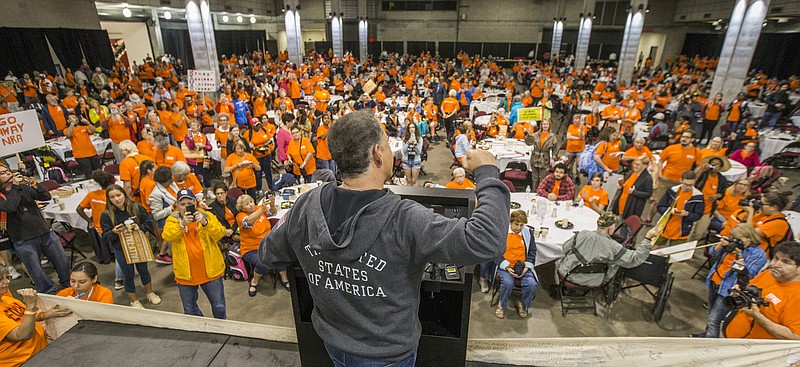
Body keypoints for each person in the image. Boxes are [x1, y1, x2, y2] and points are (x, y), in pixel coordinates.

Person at [260, 110, 509, 365]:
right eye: (389, 145)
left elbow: (269, 253)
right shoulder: (404, 218)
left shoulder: (306, 206)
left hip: (334, 341)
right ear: (378, 153)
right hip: (387, 354)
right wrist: (488, 173)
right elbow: (486, 239)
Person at [0, 165, 70, 294]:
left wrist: (32, 183)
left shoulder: (22, 187)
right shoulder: (4, 194)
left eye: (7, 171)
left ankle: (68, 285)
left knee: (62, 262)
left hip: (44, 232)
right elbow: (11, 206)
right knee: (36, 270)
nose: (8, 173)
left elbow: (45, 196)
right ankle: (50, 293)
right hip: (23, 239)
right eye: (3, 173)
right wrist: (12, 188)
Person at [161, 189, 227, 319]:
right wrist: (181, 225)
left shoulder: (207, 215)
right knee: (190, 310)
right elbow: (167, 236)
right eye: (182, 204)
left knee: (219, 306)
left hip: (211, 271)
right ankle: (201, 331)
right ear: (177, 206)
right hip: (186, 274)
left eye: (189, 203)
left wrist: (205, 223)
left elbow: (220, 234)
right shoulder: (173, 220)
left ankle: (221, 331)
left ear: (195, 203)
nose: (186, 207)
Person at [692, 224, 766, 338]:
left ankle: (708, 343)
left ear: (749, 238)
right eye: (733, 238)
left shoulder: (758, 254)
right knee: (711, 314)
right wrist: (720, 246)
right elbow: (712, 253)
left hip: (729, 288)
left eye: (738, 239)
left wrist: (739, 254)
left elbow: (748, 274)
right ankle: (707, 335)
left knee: (714, 320)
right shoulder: (731, 245)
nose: (735, 242)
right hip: (715, 281)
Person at [100, 185, 161, 308]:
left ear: (124, 194)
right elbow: (105, 236)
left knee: (143, 270)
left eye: (118, 195)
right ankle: (134, 301)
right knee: (128, 274)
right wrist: (114, 232)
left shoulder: (136, 208)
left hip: (138, 245)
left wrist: (140, 227)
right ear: (108, 199)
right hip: (121, 249)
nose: (116, 199)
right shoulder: (107, 214)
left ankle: (150, 293)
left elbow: (148, 222)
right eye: (112, 197)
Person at [556, 213, 656, 288]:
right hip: (591, 280)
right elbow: (635, 259)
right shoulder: (614, 247)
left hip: (566, 273)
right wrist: (647, 238)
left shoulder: (582, 234)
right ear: (611, 228)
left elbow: (565, 248)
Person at [725, 241, 800, 339]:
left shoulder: (797, 297)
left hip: (756, 351)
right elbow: (749, 288)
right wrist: (738, 290)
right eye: (776, 258)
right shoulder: (768, 274)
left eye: (786, 262)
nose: (776, 264)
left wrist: (758, 317)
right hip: (732, 338)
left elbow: (795, 336)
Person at [1, 267, 72, 366]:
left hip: (40, 353)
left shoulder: (6, 299)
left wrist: (44, 315)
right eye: (1, 279)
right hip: (24, 362)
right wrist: (30, 306)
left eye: (6, 277)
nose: (7, 281)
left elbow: (22, 320)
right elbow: (22, 335)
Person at [644, 130, 701, 223]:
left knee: (675, 204)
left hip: (681, 183)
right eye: (683, 136)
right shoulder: (671, 148)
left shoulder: (696, 152)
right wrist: (659, 174)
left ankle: (665, 222)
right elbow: (661, 160)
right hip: (666, 179)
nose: (684, 139)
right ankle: (648, 219)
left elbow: (699, 166)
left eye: (687, 137)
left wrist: (692, 176)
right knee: (657, 201)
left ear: (692, 139)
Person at [494, 210, 538, 319]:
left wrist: (527, 267)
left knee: (532, 284)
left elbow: (532, 251)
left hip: (522, 266)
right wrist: (507, 267)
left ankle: (522, 303)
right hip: (506, 266)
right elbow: (495, 253)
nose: (518, 228)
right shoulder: (502, 232)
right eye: (516, 224)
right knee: (508, 283)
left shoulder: (528, 233)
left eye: (521, 225)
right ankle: (502, 305)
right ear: (510, 222)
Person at [236, 194, 282, 295]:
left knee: (283, 251)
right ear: (242, 208)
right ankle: (254, 281)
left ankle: (285, 278)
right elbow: (248, 222)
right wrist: (262, 209)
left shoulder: (258, 208)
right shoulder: (241, 216)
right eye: (247, 204)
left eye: (251, 202)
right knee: (262, 262)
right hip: (251, 249)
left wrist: (272, 204)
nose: (251, 205)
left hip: (267, 244)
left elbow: (272, 212)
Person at [654, 170, 705, 248]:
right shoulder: (672, 191)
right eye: (686, 184)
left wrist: (687, 214)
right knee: (654, 248)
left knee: (674, 255)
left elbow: (698, 215)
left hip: (682, 231)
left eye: (691, 185)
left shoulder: (698, 197)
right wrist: (670, 210)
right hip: (664, 227)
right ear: (681, 180)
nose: (688, 187)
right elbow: (660, 206)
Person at [688, 155, 731, 241]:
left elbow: (722, 193)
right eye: (712, 164)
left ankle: (688, 251)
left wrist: (717, 195)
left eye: (716, 164)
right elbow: (692, 181)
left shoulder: (722, 179)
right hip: (693, 207)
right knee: (688, 230)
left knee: (698, 233)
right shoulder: (703, 174)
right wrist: (702, 169)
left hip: (708, 210)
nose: (714, 166)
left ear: (720, 168)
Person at [64, 114, 101, 178]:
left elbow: (93, 131)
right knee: (89, 173)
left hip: (92, 152)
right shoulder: (66, 130)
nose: (73, 119)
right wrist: (72, 123)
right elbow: (69, 135)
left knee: (99, 171)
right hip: (80, 155)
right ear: (68, 121)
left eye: (74, 117)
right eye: (71, 118)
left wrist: (88, 123)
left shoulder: (84, 127)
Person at [246, 116, 276, 191]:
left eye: (258, 124)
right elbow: (247, 145)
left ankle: (271, 187)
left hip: (266, 154)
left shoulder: (264, 130)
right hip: (256, 156)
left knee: (268, 171)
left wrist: (267, 144)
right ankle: (258, 189)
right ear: (252, 126)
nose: (258, 126)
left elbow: (270, 139)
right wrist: (255, 148)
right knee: (258, 173)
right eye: (256, 125)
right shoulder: (248, 133)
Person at [528, 118, 558, 190]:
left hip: (545, 159)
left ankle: (541, 192)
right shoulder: (535, 135)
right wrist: (528, 135)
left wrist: (553, 159)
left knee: (543, 179)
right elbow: (528, 143)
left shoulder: (552, 137)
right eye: (544, 124)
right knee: (534, 178)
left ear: (549, 126)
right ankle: (533, 192)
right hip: (535, 158)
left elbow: (555, 149)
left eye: (547, 124)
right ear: (541, 125)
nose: (545, 126)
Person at [402, 122, 423, 186]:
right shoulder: (404, 138)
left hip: (415, 160)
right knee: (408, 180)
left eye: (413, 127)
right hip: (406, 160)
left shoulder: (419, 138)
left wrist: (415, 144)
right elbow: (404, 151)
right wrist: (408, 142)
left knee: (414, 180)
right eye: (410, 128)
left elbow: (419, 152)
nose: (411, 129)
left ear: (415, 129)